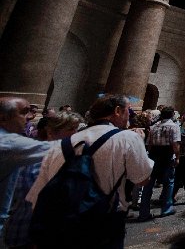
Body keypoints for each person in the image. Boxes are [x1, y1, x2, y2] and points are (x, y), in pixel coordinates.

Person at [27, 95, 153, 249]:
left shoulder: (63, 143)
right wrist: (140, 141)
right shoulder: (127, 138)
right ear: (118, 111)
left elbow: (37, 195)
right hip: (102, 219)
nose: (131, 114)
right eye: (129, 110)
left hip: (58, 220)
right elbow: (142, 179)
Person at [4, 111, 83, 249]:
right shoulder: (35, 156)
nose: (75, 133)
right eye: (71, 129)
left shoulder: (71, 156)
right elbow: (24, 194)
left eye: (77, 129)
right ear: (51, 132)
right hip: (28, 228)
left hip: (51, 230)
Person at [0, 97, 54, 240]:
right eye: (23, 112)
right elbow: (57, 149)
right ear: (3, 117)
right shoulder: (8, 142)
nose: (29, 117)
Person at [138, 106, 180, 220]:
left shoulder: (154, 127)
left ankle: (143, 212)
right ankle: (166, 208)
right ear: (172, 115)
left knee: (148, 185)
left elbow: (149, 144)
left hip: (153, 155)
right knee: (169, 182)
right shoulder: (173, 127)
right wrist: (177, 157)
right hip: (166, 155)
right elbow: (175, 144)